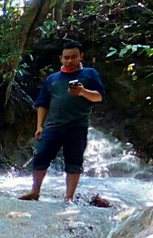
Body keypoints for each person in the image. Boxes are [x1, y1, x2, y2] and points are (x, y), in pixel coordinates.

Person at [19, 40, 105, 202]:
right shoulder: (53, 79)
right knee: (41, 156)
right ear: (60, 58)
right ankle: (35, 191)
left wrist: (82, 92)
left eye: (74, 57)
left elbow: (99, 97)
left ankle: (68, 197)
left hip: (77, 126)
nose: (70, 61)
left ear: (81, 57)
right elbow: (43, 104)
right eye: (66, 57)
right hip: (52, 126)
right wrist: (39, 126)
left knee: (74, 161)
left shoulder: (89, 74)